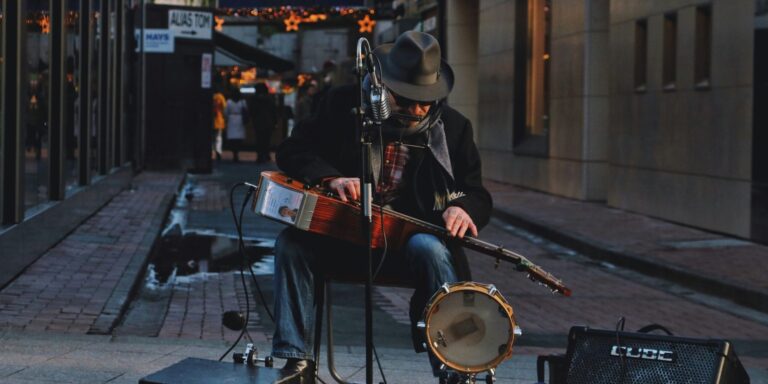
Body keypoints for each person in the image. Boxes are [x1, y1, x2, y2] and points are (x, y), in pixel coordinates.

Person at [271, 31, 492, 383]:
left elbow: (477, 193)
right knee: (291, 244)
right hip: (341, 236)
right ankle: (295, 360)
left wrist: (463, 208)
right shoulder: (340, 105)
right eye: (405, 100)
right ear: (382, 86)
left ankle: (453, 368)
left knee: (432, 250)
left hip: (406, 246)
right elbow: (292, 150)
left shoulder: (453, 128)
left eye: (425, 102)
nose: (416, 111)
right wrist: (331, 178)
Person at [224, 89, 248, 162]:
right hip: (239, 119)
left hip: (231, 119)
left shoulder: (229, 102)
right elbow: (246, 110)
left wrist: (227, 118)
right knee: (238, 138)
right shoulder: (242, 102)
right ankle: (236, 152)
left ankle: (234, 153)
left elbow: (225, 112)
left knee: (232, 138)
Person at [212, 91, 227, 161]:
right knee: (218, 137)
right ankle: (218, 151)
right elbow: (224, 108)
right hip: (219, 119)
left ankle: (213, 152)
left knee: (212, 138)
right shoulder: (220, 97)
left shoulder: (212, 96)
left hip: (213, 120)